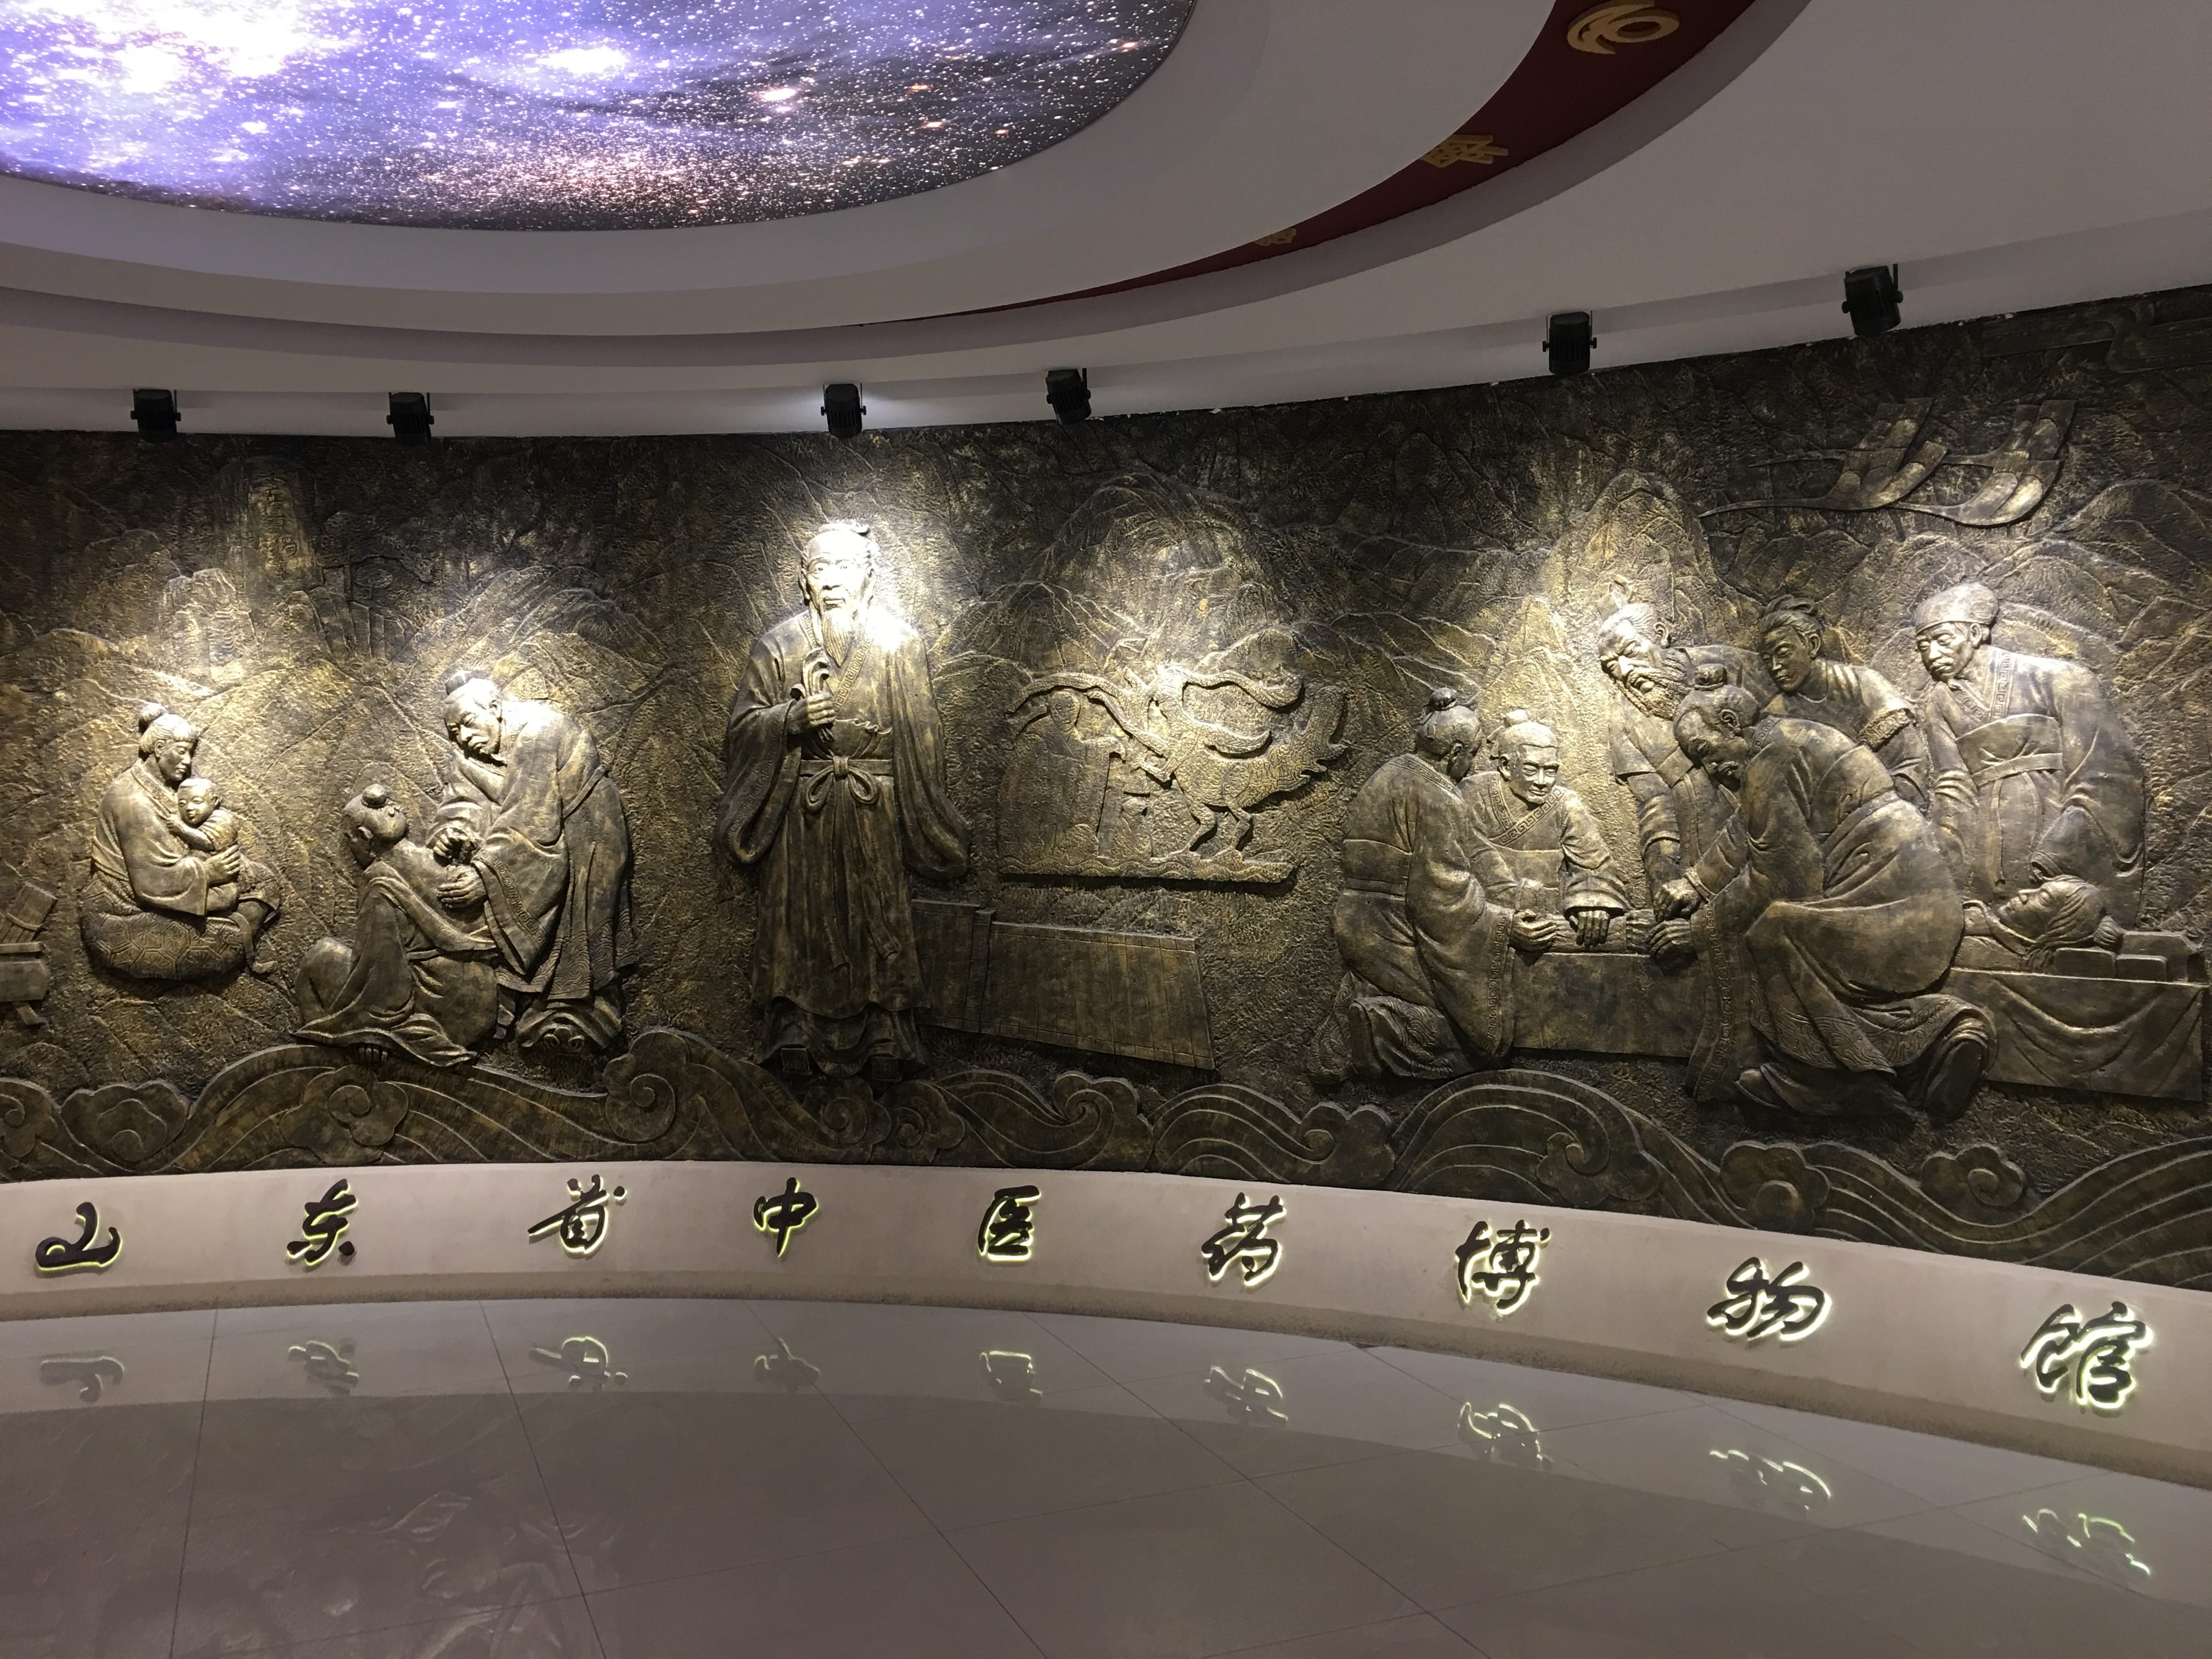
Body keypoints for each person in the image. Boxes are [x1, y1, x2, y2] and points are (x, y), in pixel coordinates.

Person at [1655, 683, 1989, 1120]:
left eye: (1705, 751)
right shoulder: (1788, 741)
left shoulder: (1773, 762)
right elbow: (1749, 829)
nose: (1710, 769)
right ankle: (1942, 1035)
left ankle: (1830, 1081)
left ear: (1732, 725)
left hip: (1900, 920)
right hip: (1917, 913)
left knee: (1774, 931)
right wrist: (1696, 883)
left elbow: (1781, 880)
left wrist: (1699, 930)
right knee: (1784, 935)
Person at [718, 521, 970, 1080]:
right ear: (804, 581)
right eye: (820, 568)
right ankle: (792, 1029)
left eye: (845, 567)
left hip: (872, 805)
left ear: (868, 578)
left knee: (877, 914)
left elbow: (923, 738)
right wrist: (789, 718)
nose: (832, 580)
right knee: (798, 918)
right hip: (802, 810)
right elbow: (741, 731)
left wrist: (924, 816)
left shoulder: (899, 644)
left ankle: (886, 1032)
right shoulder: (778, 645)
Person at [1311, 689, 1549, 1084]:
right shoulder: (1436, 796)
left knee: (1392, 987)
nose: (1472, 766)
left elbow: (1474, 847)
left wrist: (1515, 892)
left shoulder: (1391, 774)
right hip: (1393, 931)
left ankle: (1357, 1019)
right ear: (1455, 753)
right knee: (1475, 1035)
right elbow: (1443, 894)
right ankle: (1379, 1027)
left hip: (1357, 921)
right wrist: (1506, 924)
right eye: (1472, 755)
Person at [426, 669, 637, 1052]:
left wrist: (484, 875)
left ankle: (586, 1020)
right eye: (454, 732)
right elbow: (463, 803)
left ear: (495, 707)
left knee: (582, 930)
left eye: (468, 722)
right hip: (525, 842)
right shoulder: (468, 756)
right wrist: (451, 830)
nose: (464, 737)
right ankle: (530, 1018)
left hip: (588, 831)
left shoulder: (539, 729)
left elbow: (530, 817)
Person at [1913, 580, 2146, 923]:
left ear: (1975, 634)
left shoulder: (2061, 679)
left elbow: (2107, 775)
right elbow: (1953, 785)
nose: (1932, 655)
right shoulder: (1939, 704)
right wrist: (1946, 859)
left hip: (2056, 837)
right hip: (1989, 847)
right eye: (1923, 646)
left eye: (1943, 640)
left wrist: (2060, 850)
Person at [295, 783, 500, 1066]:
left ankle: (325, 1063)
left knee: (319, 957)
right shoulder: (454, 866)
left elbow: (384, 967)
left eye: (349, 839)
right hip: (481, 1003)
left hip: (437, 1013)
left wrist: (374, 1031)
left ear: (364, 837)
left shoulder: (379, 880)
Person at [80, 703, 279, 980]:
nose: (188, 762)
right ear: (160, 748)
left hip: (172, 888)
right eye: (182, 752)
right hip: (123, 915)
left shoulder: (160, 787)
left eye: (191, 754)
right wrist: (209, 872)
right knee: (231, 933)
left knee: (262, 881)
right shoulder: (133, 801)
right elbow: (151, 880)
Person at [1594, 600, 1775, 891]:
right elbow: (1655, 805)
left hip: (1779, 810)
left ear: (1661, 634)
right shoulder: (1623, 723)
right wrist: (1663, 875)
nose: (1625, 671)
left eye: (1630, 652)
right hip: (1706, 849)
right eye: (1612, 666)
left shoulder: (1731, 663)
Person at [1460, 709, 1629, 947]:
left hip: (1549, 923)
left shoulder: (1565, 803)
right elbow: (1451, 870)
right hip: (1487, 921)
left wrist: (1592, 902)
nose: (1542, 782)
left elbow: (1595, 866)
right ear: (1506, 766)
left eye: (1550, 771)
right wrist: (1499, 921)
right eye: (1531, 769)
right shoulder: (1472, 795)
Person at [1758, 598, 1931, 810]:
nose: (1775, 667)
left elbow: (1911, 763)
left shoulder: (1865, 686)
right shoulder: (1776, 715)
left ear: (1812, 645)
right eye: (1767, 660)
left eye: (1783, 653)